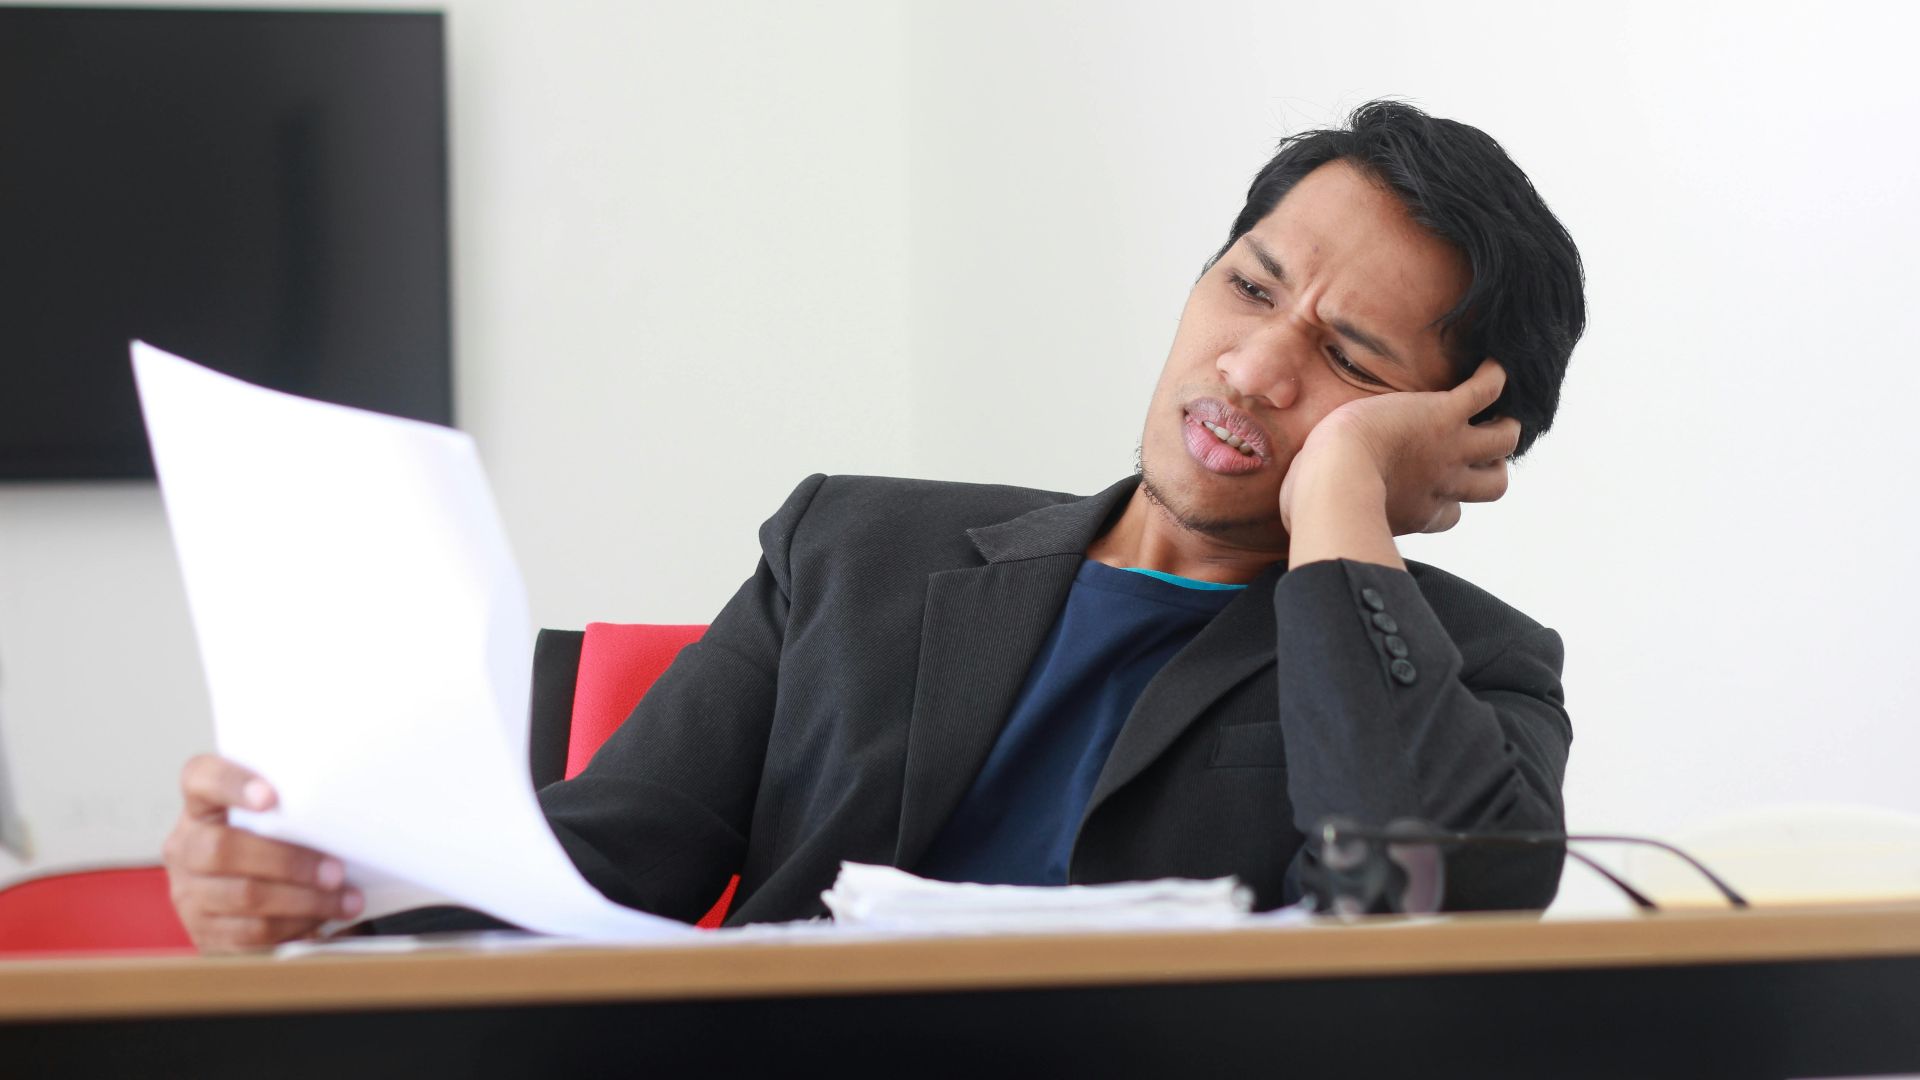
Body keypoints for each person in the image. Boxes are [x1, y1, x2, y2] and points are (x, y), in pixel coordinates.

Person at [164, 100, 1586, 950]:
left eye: (1353, 364)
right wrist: (323, 899)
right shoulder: (852, 553)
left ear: (1448, 444)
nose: (1258, 367)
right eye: (1252, 285)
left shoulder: (1477, 676)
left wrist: (1338, 506)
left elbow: (1435, 937)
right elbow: (596, 877)